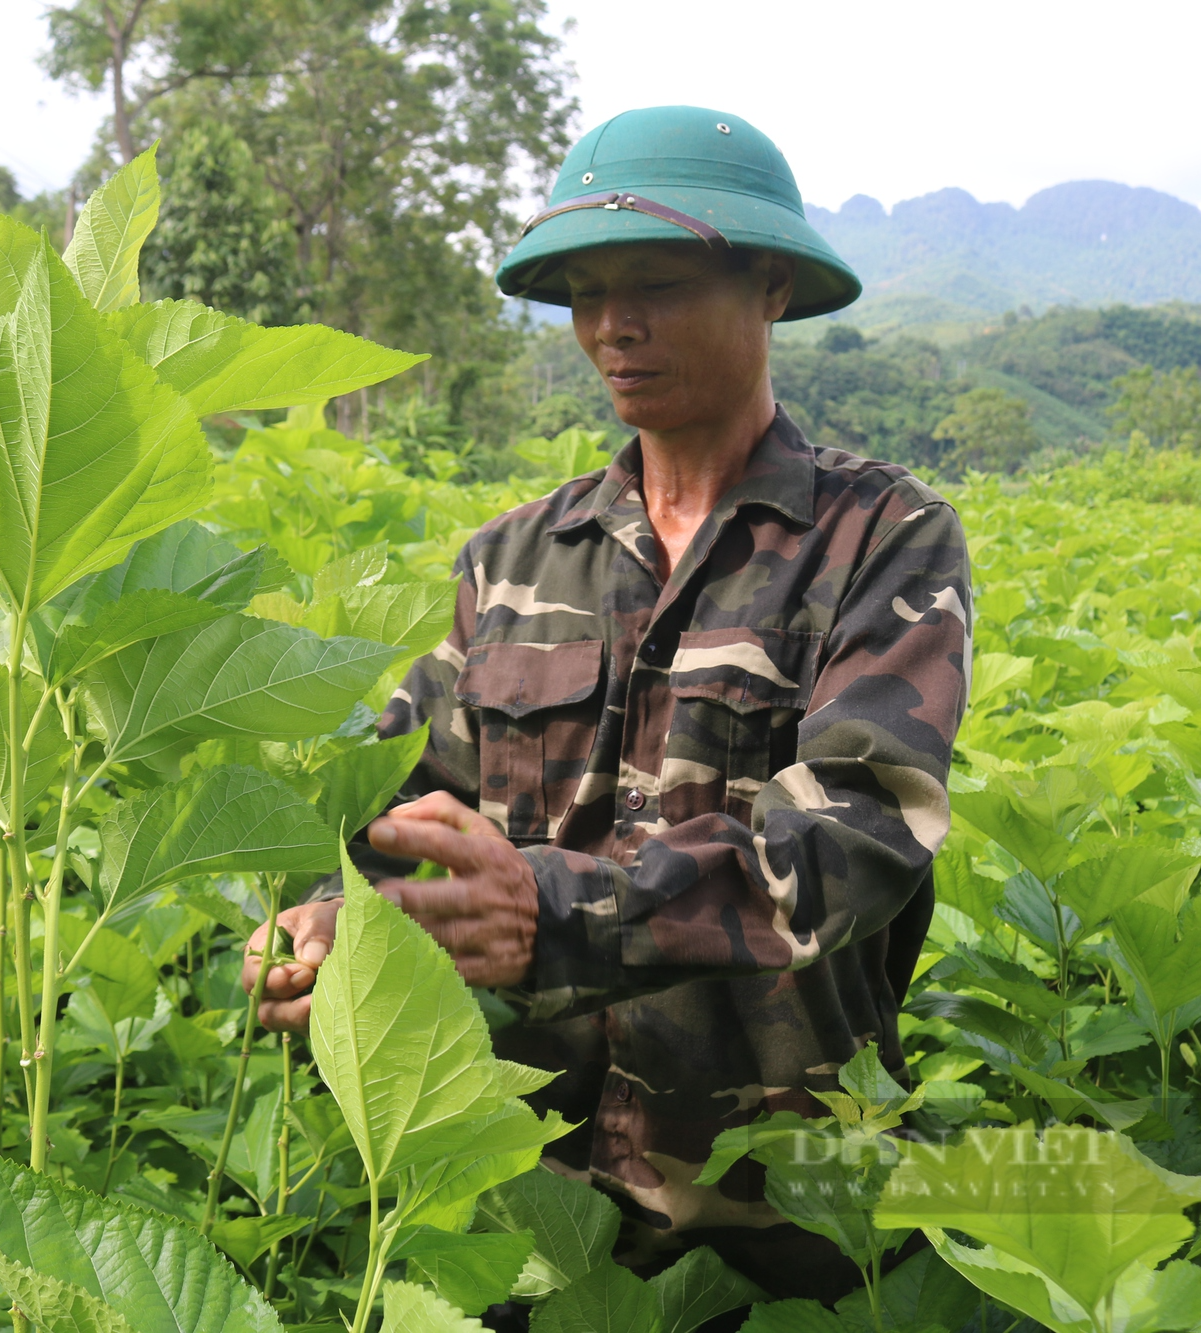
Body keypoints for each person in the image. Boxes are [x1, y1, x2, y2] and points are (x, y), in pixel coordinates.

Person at [242, 105, 971, 1304]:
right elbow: (401, 801)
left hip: (773, 1202)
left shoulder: (879, 538)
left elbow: (856, 829)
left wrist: (557, 910)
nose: (610, 327)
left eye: (655, 284)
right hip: (527, 1198)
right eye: (583, 293)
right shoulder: (513, 559)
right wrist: (332, 919)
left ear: (770, 286)